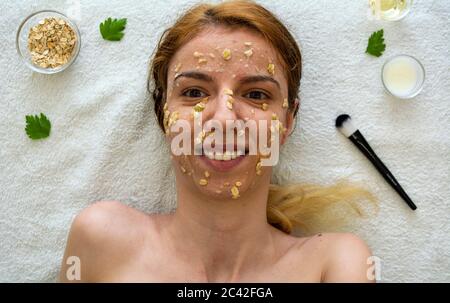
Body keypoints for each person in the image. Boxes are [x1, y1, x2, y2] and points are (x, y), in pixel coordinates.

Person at [59, 0, 377, 282]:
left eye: (256, 95)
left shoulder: (336, 263)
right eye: (194, 92)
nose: (224, 120)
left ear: (287, 121)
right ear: (162, 113)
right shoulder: (101, 238)